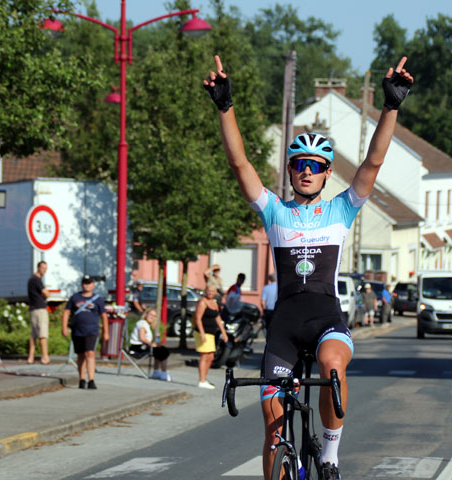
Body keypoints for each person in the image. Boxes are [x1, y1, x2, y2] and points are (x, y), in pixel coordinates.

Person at [204, 53, 413, 479]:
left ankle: (331, 453)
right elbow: (240, 164)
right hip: (283, 327)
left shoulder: (341, 210)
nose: (306, 172)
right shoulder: (274, 211)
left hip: (325, 319)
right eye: (299, 165)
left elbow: (372, 163)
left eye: (315, 167)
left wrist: (390, 107)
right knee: (273, 431)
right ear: (290, 170)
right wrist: (226, 108)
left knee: (332, 366)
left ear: (326, 175)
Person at [62, 275, 109, 390]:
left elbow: (104, 316)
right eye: (85, 283)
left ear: (93, 285)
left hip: (92, 330)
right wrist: (64, 327)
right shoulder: (75, 298)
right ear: (81, 284)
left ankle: (91, 380)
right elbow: (67, 312)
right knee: (81, 355)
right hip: (77, 330)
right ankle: (82, 379)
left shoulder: (98, 299)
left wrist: (106, 332)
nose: (87, 285)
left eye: (89, 283)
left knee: (90, 353)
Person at [192, 285, 228, 389]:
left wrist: (223, 332)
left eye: (213, 291)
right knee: (205, 355)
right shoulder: (202, 302)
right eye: (209, 290)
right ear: (205, 291)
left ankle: (204, 378)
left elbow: (217, 317)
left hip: (211, 333)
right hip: (202, 332)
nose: (210, 292)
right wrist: (202, 333)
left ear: (216, 292)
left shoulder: (214, 303)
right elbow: (198, 319)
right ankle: (201, 380)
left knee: (211, 356)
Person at [129, 308, 171, 381]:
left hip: (143, 346)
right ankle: (164, 372)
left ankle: (156, 371)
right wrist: (152, 344)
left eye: (154, 316)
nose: (152, 317)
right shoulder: (142, 323)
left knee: (161, 350)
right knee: (162, 351)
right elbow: (142, 338)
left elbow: (150, 340)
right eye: (151, 314)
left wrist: (156, 340)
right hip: (137, 348)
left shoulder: (148, 326)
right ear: (146, 314)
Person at [27, 261, 50, 365]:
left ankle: (30, 357)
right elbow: (45, 293)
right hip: (40, 308)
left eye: (45, 269)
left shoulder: (31, 279)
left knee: (34, 334)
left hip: (32, 308)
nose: (44, 270)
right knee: (42, 334)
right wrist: (47, 294)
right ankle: (45, 357)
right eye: (43, 268)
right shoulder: (37, 280)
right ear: (38, 268)